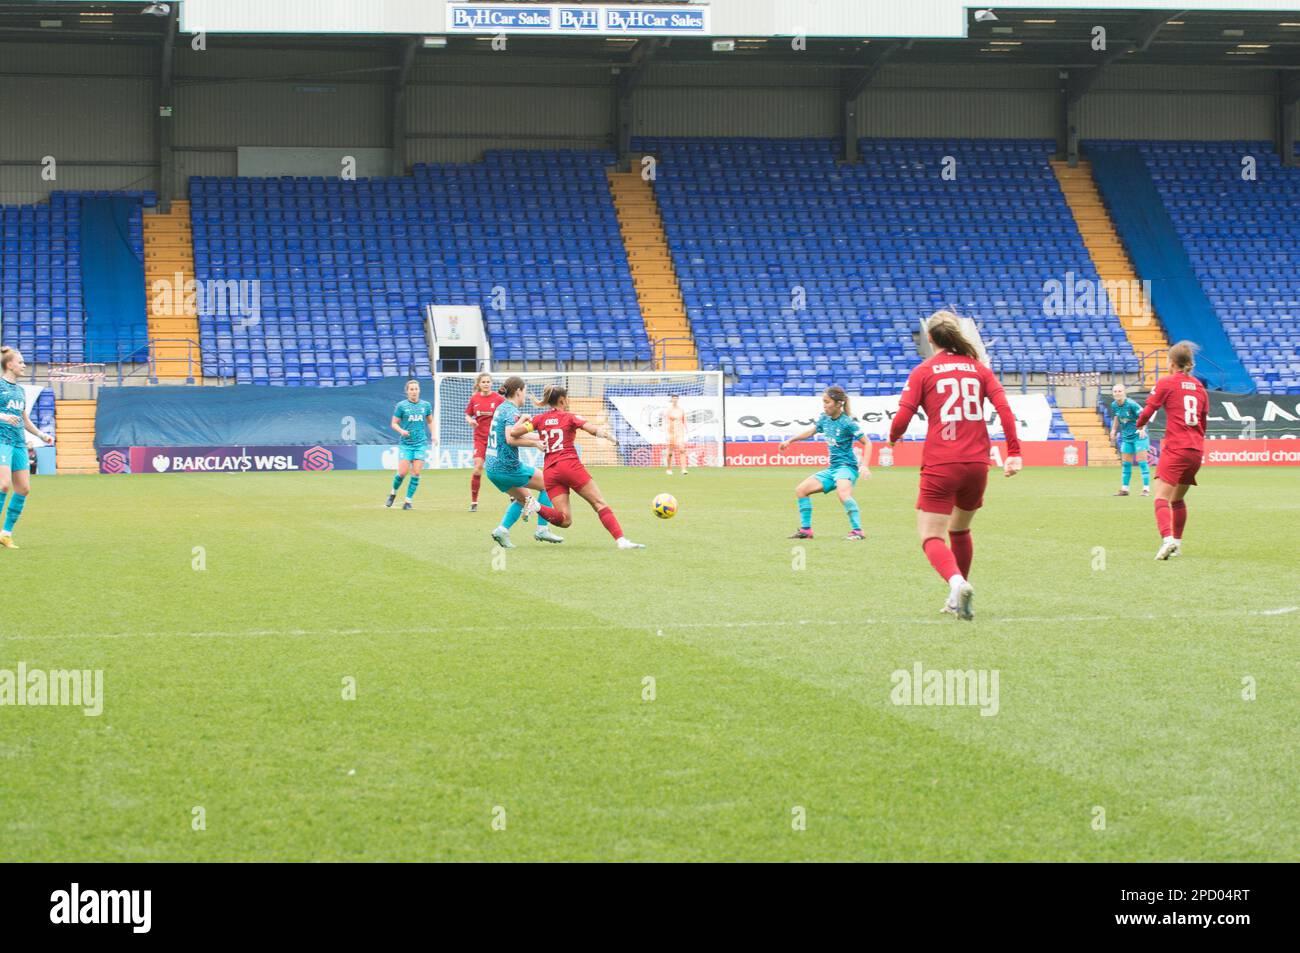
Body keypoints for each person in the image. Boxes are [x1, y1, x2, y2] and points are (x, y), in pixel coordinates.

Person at [887, 312, 1022, 620]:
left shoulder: (924, 371)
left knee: (930, 536)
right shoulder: (979, 370)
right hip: (977, 463)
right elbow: (1004, 410)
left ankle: (957, 582)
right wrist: (1014, 452)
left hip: (941, 463)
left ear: (930, 338)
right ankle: (955, 597)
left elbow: (902, 418)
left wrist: (893, 439)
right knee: (960, 529)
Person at [509, 386, 644, 549]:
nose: (568, 401)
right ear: (562, 400)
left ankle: (535, 505)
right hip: (570, 466)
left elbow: (514, 433)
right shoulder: (570, 417)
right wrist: (609, 436)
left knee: (565, 520)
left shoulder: (539, 420)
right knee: (599, 503)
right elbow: (592, 429)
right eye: (567, 398)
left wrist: (523, 421)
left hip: (551, 471)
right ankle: (621, 541)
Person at [1135, 341, 1208, 561]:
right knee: (1177, 499)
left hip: (1176, 447)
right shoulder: (1199, 387)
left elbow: (1149, 409)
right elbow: (1203, 421)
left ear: (1172, 363)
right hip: (1195, 449)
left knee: (1160, 497)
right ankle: (1177, 543)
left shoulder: (1167, 382)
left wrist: (1140, 424)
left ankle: (1167, 539)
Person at [779, 386, 871, 541]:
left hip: (847, 468)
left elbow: (867, 443)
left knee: (843, 493)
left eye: (827, 402)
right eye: (823, 401)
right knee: (801, 490)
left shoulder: (847, 423)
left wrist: (865, 465)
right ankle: (806, 530)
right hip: (833, 469)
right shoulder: (824, 419)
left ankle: (858, 531)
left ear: (837, 404)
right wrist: (790, 440)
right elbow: (811, 432)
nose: (824, 405)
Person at [485, 376, 563, 548]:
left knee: (524, 499)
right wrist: (535, 443)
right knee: (548, 483)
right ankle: (542, 529)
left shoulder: (501, 408)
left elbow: (515, 433)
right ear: (518, 391)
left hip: (491, 468)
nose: (525, 395)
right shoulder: (512, 411)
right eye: (525, 391)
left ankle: (502, 530)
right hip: (506, 466)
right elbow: (510, 438)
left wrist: (543, 436)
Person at [0, 347, 54, 549]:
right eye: (20, 362)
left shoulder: (20, 391)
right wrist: (3, 416)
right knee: (3, 484)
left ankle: (5, 534)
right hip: (1, 441)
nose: (24, 365)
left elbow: (24, 420)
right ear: (9, 364)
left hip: (18, 442)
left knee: (23, 488)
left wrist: (41, 435)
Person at [387, 379, 435, 510]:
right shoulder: (401, 406)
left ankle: (408, 501)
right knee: (402, 473)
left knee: (416, 472)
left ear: (419, 390)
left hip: (420, 443)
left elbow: (430, 421)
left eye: (416, 389)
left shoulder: (426, 405)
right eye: (411, 389)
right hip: (406, 444)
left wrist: (434, 435)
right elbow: (394, 423)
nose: (414, 391)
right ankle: (393, 493)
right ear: (407, 391)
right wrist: (401, 431)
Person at [465, 372, 504, 512]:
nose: (486, 384)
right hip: (480, 439)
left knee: (502, 470)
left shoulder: (499, 399)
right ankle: (474, 502)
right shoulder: (474, 399)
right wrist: (471, 421)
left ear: (491, 383)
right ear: (479, 384)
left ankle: (514, 496)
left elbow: (506, 414)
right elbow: (468, 414)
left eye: (488, 381)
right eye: (483, 382)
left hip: (496, 440)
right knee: (477, 468)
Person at [1109, 383, 1150, 497]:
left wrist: (1143, 428)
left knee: (1142, 462)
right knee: (1126, 464)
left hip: (1139, 435)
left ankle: (1146, 489)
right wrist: (1113, 430)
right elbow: (1117, 416)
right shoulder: (1114, 405)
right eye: (1115, 391)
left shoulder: (1131, 404)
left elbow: (1144, 415)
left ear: (1124, 392)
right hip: (1126, 437)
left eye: (1119, 391)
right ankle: (1125, 489)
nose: (1117, 393)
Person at [664, 395, 688, 475]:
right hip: (671, 432)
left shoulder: (681, 410)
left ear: (678, 399)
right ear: (671, 400)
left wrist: (687, 430)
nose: (675, 400)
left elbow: (684, 420)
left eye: (676, 398)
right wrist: (665, 433)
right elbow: (665, 422)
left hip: (680, 432)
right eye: (673, 398)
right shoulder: (668, 410)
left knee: (682, 449)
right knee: (670, 452)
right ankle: (669, 469)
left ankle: (683, 469)